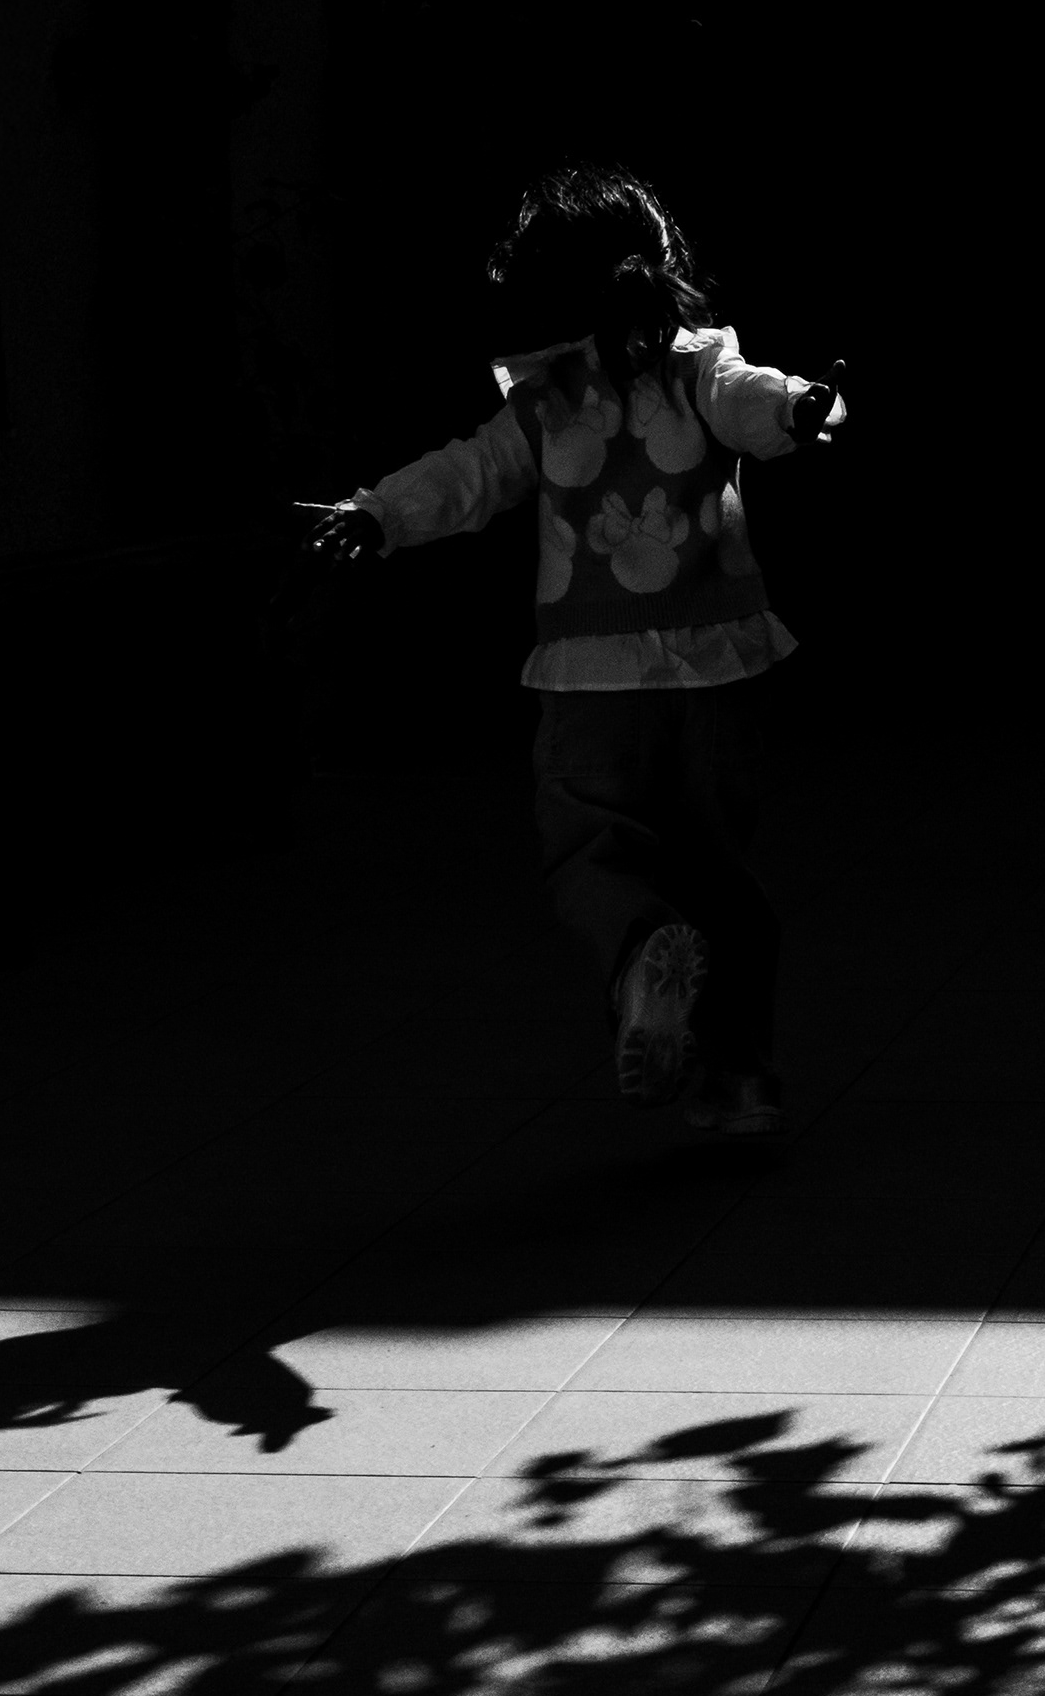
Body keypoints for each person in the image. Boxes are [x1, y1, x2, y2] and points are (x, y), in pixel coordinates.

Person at [308, 164, 845, 1135]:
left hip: (592, 680)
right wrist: (807, 407)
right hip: (717, 672)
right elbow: (755, 402)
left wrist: (378, 512)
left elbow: (470, 475)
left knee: (592, 852)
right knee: (721, 881)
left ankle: (641, 953)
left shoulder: (549, 397)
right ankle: (739, 1083)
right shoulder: (698, 369)